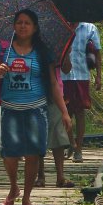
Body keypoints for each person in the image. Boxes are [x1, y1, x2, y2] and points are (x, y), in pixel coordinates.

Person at [0, 9, 71, 205]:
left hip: (36, 109)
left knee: (33, 153)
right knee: (10, 154)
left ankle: (26, 198)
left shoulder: (42, 52)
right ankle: (14, 187)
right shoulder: (2, 50)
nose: (23, 26)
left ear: (34, 28)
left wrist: (65, 112)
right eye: (19, 22)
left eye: (27, 23)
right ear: (14, 26)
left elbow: (52, 83)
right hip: (10, 109)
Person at [61, 22, 102, 163]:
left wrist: (98, 76)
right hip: (63, 76)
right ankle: (71, 143)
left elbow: (97, 52)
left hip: (82, 75)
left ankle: (79, 149)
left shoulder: (90, 28)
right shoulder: (60, 25)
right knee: (66, 111)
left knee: (79, 111)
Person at [35, 55, 75, 188]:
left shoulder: (57, 46)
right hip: (33, 93)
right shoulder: (28, 47)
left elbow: (67, 69)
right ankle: (40, 175)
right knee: (37, 134)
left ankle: (60, 176)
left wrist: (66, 54)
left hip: (55, 94)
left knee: (58, 133)